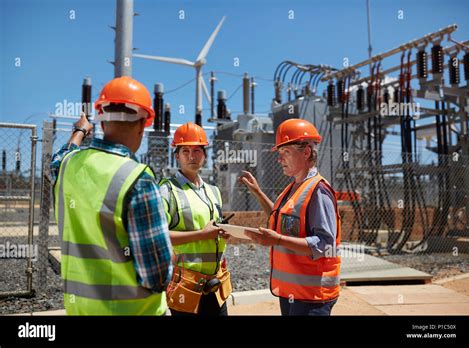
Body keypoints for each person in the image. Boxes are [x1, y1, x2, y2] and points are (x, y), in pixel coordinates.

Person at [51, 76, 173, 315]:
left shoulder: (67, 167)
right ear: (141, 125)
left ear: (102, 123)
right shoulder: (138, 179)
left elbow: (57, 160)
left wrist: (78, 132)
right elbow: (157, 277)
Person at [240, 118, 341, 316]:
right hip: (292, 292)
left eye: (285, 152)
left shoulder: (318, 190)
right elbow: (281, 219)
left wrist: (276, 239)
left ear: (306, 152)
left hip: (312, 297)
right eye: (279, 154)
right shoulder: (292, 188)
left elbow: (326, 243)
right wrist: (258, 193)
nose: (280, 159)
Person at [159, 122, 232, 316]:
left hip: (216, 285)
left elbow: (213, 230)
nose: (192, 156)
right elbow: (159, 236)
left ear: (204, 155)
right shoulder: (166, 190)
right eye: (186, 151)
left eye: (197, 151)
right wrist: (201, 234)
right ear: (177, 156)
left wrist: (224, 233)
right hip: (186, 286)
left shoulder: (213, 191)